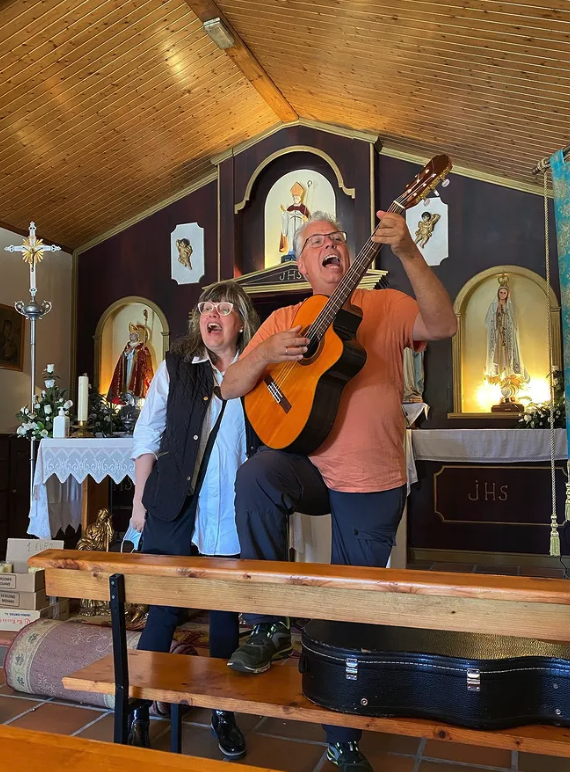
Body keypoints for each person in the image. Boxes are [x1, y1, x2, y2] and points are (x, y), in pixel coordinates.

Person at [221, 210, 457, 772]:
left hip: (371, 479)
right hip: (306, 464)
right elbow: (231, 384)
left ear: (348, 255)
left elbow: (443, 324)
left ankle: (341, 738)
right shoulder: (282, 319)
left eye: (336, 239)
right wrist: (262, 355)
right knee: (256, 474)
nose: (329, 245)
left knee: (349, 613)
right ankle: (271, 621)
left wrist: (407, 251)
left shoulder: (384, 305)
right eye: (315, 242)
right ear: (301, 263)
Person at [128, 280, 260, 758]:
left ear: (240, 319)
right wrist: (141, 503)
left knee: (225, 614)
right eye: (206, 307)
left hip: (231, 508)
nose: (212, 314)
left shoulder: (260, 366)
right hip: (173, 504)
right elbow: (148, 434)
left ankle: (223, 711)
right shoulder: (176, 366)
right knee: (163, 610)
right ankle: (138, 712)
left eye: (223, 308)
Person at [485, 281, 527, 385]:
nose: (502, 295)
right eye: (501, 292)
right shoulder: (493, 305)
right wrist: (496, 316)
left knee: (508, 352)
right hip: (497, 332)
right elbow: (487, 320)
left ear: (508, 294)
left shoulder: (510, 306)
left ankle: (509, 373)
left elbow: (513, 321)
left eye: (504, 293)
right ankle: (498, 372)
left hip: (507, 333)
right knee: (497, 351)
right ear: (497, 293)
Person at [107, 321, 154, 404]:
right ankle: (127, 402)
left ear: (137, 336)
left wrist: (141, 353)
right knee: (127, 386)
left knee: (136, 387)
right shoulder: (128, 345)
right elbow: (122, 358)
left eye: (133, 334)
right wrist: (126, 354)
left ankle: (136, 405)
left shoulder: (142, 346)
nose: (131, 336)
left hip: (137, 371)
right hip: (128, 368)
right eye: (130, 334)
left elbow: (146, 359)